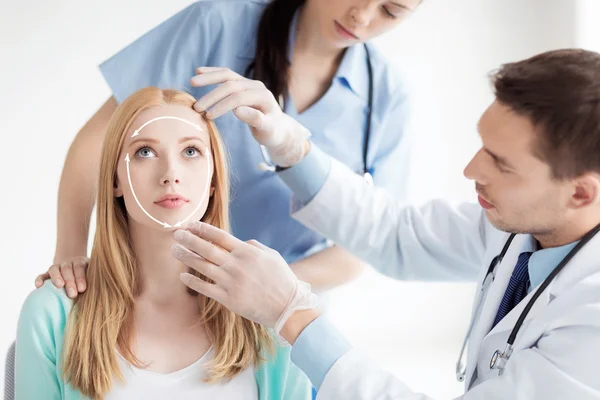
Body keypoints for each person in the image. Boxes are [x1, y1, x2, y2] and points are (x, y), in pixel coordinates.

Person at [167, 49, 600, 399]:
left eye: (501, 164)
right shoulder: (520, 228)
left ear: (582, 192)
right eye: (482, 146)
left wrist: (293, 317)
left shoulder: (591, 324)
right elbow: (396, 235)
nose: (470, 170)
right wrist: (291, 147)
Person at [35, 0, 423, 298]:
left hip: (277, 311)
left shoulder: (387, 98)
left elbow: (367, 243)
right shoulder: (219, 23)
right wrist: (70, 250)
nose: (362, 16)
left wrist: (254, 288)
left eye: (391, 10)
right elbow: (100, 141)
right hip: (159, 290)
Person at [15, 87, 312, 400]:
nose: (171, 174)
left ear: (213, 180)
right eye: (145, 151)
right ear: (115, 179)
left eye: (190, 151)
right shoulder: (51, 314)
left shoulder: (273, 315)